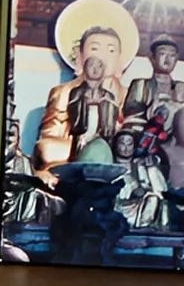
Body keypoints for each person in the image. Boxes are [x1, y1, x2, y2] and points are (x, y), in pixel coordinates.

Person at [35, 25, 128, 180]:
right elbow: (49, 135)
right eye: (95, 49)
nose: (102, 57)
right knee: (46, 149)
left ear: (120, 60)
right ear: (79, 56)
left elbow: (129, 132)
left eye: (111, 51)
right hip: (73, 146)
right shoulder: (63, 92)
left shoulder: (126, 94)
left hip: (110, 149)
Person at [114, 127, 169, 229]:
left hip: (141, 206)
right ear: (116, 146)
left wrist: (151, 169)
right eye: (122, 143)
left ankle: (144, 227)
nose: (126, 148)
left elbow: (161, 190)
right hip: (118, 205)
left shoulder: (141, 165)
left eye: (129, 144)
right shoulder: (111, 166)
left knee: (154, 199)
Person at [123, 36, 184, 123]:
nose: (167, 59)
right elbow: (131, 112)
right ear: (152, 57)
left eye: (172, 55)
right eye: (162, 54)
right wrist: (153, 107)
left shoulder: (182, 87)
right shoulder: (141, 84)